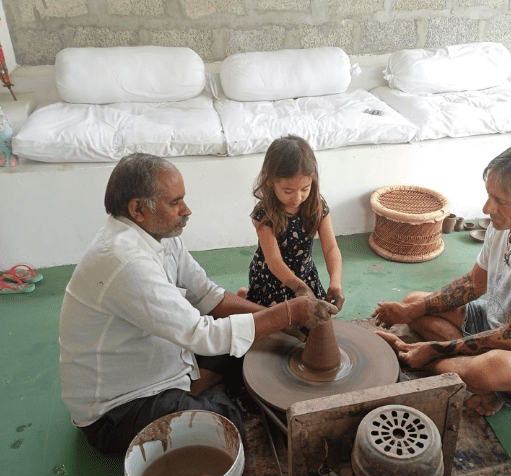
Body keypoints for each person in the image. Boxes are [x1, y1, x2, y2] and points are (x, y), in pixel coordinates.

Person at [59, 153, 338, 455]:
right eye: (175, 202)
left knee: (254, 342)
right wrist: (286, 313)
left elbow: (208, 296)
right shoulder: (125, 262)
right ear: (138, 209)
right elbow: (201, 334)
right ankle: (201, 396)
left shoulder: (161, 236)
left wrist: (279, 322)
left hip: (162, 360)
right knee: (225, 421)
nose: (186, 210)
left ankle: (197, 388)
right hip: (118, 408)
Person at [372, 139, 511, 417]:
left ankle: (418, 359)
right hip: (499, 321)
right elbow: (473, 284)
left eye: (500, 201)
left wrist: (434, 350)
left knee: (491, 370)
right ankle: (469, 376)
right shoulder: (505, 223)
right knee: (415, 303)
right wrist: (410, 311)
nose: (486, 208)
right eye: (489, 195)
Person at [238, 135, 345, 311]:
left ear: (313, 180)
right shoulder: (264, 213)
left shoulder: (317, 205)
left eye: (305, 189)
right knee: (275, 327)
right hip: (272, 279)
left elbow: (330, 248)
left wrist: (335, 283)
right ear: (271, 181)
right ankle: (243, 299)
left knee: (314, 325)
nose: (297, 198)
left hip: (305, 275)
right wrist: (299, 288)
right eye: (288, 190)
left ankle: (244, 300)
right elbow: (274, 261)